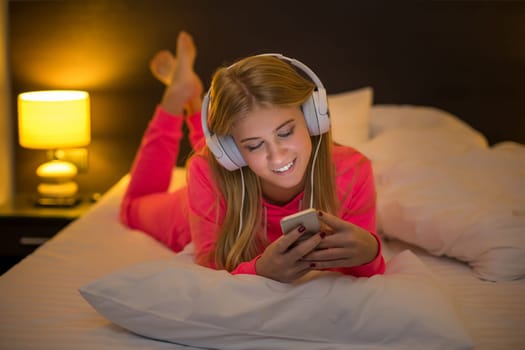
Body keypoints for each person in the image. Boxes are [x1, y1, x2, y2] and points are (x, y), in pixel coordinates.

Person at [120, 31, 385, 283]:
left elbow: (363, 272)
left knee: (224, 146)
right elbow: (210, 268)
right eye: (255, 146)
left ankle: (194, 101)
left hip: (227, 170)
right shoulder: (207, 173)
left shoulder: (353, 170)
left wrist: (370, 253)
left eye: (285, 132)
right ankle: (178, 97)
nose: (277, 155)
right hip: (197, 206)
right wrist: (259, 270)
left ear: (312, 118)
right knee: (131, 209)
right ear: (232, 153)